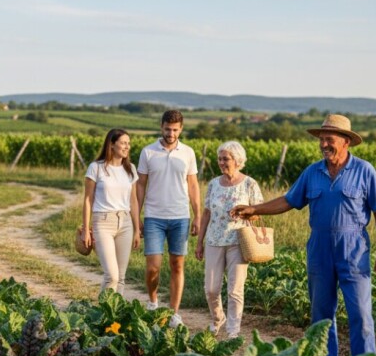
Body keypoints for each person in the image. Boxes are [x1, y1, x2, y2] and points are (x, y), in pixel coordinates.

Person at [231, 114, 376, 356]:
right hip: (319, 247)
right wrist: (254, 209)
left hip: (354, 248)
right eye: (322, 140)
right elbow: (288, 200)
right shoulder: (312, 172)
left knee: (361, 314)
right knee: (321, 315)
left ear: (345, 142)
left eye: (330, 140)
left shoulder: (364, 171)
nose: (324, 144)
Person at [137, 110, 201, 327]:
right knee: (153, 267)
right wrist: (137, 216)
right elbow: (140, 185)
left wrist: (198, 215)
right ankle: (153, 303)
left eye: (175, 130)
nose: (171, 133)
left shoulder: (188, 153)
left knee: (177, 265)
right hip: (153, 216)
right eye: (167, 129)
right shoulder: (148, 152)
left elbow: (193, 185)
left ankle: (174, 313)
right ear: (161, 126)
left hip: (180, 217)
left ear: (181, 129)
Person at [195, 141, 263, 338]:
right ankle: (218, 318)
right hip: (214, 241)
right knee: (211, 289)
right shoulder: (214, 184)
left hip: (238, 241)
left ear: (237, 160)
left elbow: (259, 212)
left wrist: (245, 212)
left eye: (226, 159)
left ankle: (233, 330)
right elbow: (207, 213)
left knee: (235, 290)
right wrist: (199, 242)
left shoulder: (249, 184)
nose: (222, 162)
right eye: (219, 159)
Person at [82, 129, 141, 294]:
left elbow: (133, 201)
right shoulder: (96, 168)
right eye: (123, 143)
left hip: (125, 223)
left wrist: (137, 230)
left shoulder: (131, 169)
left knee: (121, 277)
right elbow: (88, 200)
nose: (127, 147)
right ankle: (102, 315)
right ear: (112, 144)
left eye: (128, 143)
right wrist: (86, 230)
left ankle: (116, 316)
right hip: (102, 223)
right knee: (112, 276)